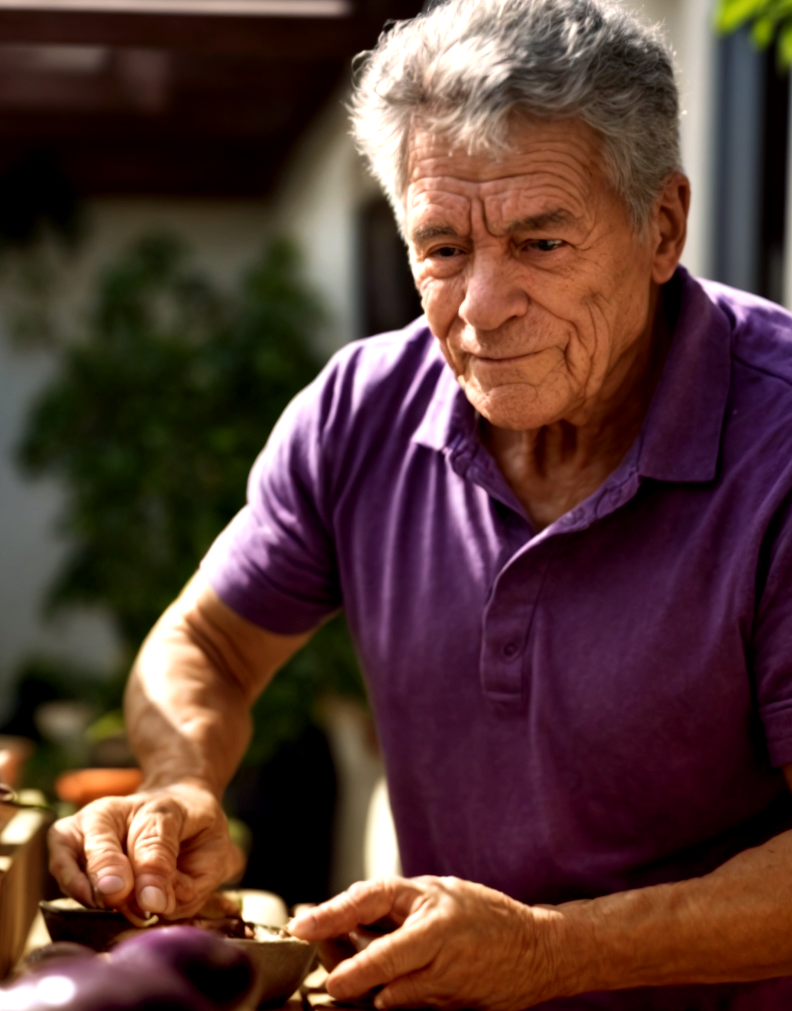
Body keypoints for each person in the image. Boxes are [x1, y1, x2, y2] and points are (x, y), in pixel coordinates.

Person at [45, 1, 792, 1008]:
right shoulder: (363, 409)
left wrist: (543, 951)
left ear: (662, 227)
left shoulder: (779, 441)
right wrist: (181, 781)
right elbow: (207, 648)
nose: (481, 306)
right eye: (441, 249)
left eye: (539, 243)